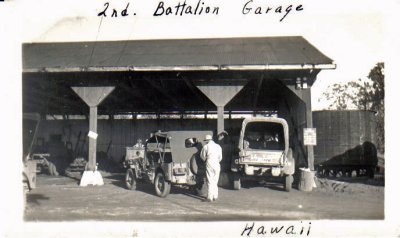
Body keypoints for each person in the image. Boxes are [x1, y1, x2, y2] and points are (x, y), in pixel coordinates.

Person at [200, 134, 222, 202]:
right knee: (215, 180)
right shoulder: (218, 146)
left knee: (210, 180)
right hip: (217, 163)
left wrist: (205, 160)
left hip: (209, 162)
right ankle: (215, 196)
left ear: (207, 140)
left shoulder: (206, 146)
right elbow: (220, 157)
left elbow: (202, 156)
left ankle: (210, 197)